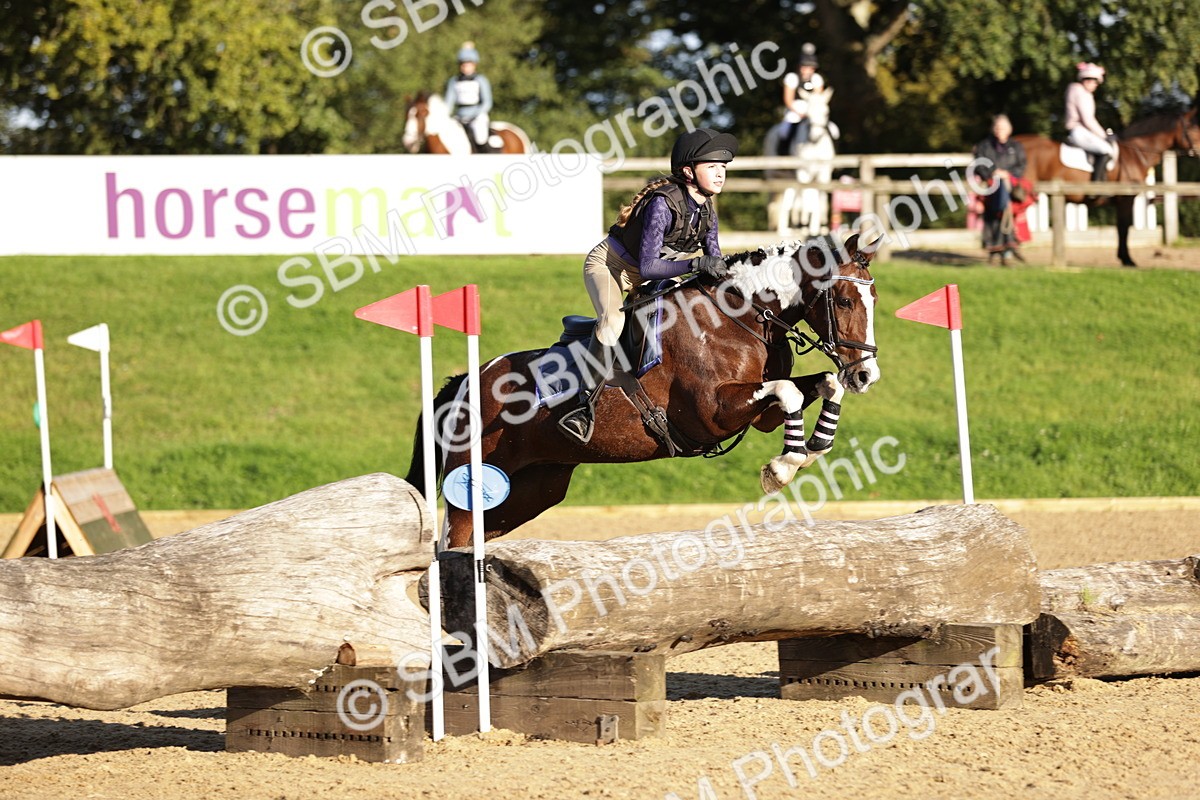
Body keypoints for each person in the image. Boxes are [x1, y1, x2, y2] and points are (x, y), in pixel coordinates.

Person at [558, 128, 738, 443]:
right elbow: (649, 266)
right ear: (688, 171)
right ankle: (582, 404)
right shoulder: (662, 203)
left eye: (723, 167)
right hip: (611, 267)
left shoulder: (708, 211)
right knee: (613, 320)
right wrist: (696, 264)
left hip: (655, 274)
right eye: (712, 166)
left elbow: (715, 265)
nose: (720, 173)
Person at [972, 114, 1031, 265]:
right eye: (997, 127)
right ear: (993, 129)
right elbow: (979, 165)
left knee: (1006, 211)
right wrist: (992, 174)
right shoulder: (984, 146)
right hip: (991, 187)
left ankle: (1008, 249)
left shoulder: (1016, 147)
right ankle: (997, 250)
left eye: (1003, 127)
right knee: (994, 214)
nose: (1000, 131)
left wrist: (1008, 175)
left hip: (1012, 187)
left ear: (1009, 129)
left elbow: (1022, 165)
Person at [1064, 62, 1114, 182]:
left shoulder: (1077, 91)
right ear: (1087, 80)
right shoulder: (1081, 93)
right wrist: (1104, 136)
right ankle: (1096, 185)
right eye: (1095, 82)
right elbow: (1088, 120)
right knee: (1107, 150)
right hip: (1079, 131)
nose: (1096, 85)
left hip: (1080, 131)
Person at [777, 43, 826, 156]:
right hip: (795, 112)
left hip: (812, 111)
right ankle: (783, 156)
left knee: (833, 130)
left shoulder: (817, 79)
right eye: (804, 67)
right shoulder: (792, 78)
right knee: (784, 131)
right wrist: (800, 113)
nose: (807, 70)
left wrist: (812, 113)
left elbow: (819, 99)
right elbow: (788, 100)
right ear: (800, 67)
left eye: (810, 67)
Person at [444, 41, 493, 152]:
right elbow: (448, 103)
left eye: (468, 64)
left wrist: (476, 114)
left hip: (477, 116)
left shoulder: (481, 80)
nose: (465, 67)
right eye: (463, 64)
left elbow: (487, 102)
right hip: (459, 116)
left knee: (480, 137)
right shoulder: (454, 81)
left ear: (474, 64)